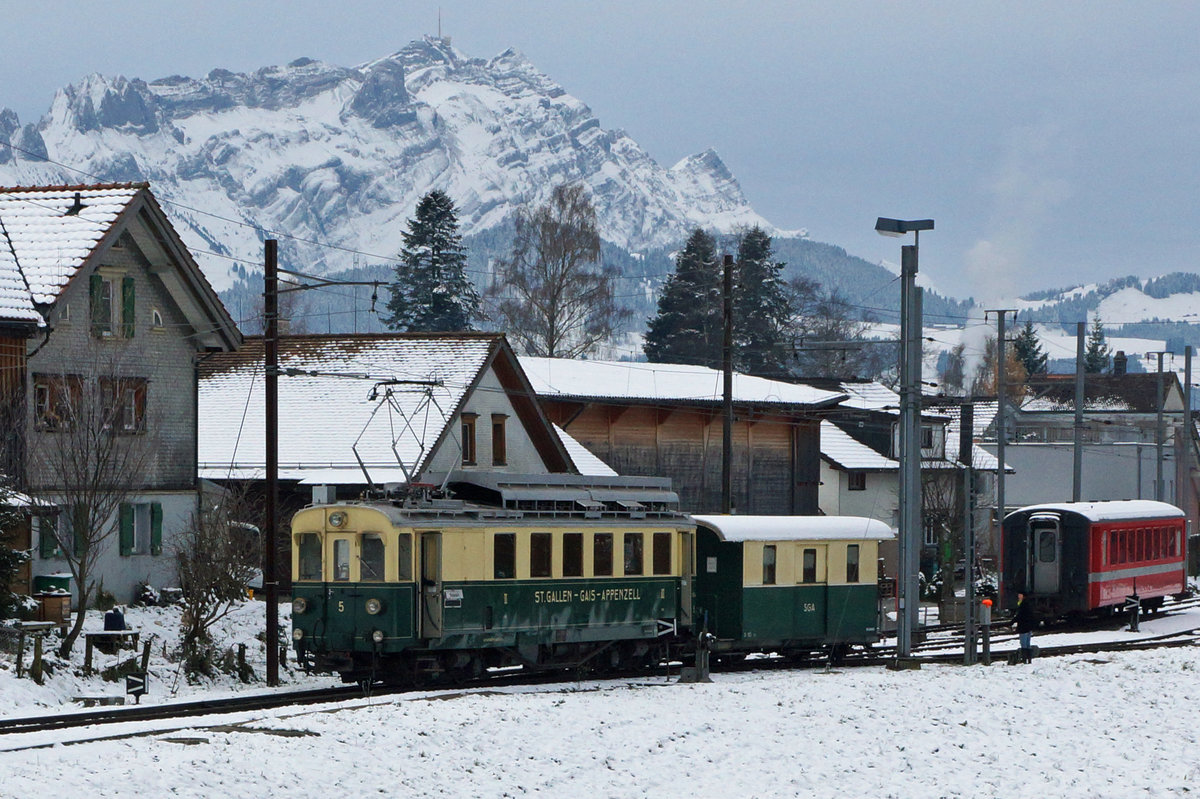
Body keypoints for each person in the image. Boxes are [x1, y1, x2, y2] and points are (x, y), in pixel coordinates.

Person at [1012, 591, 1036, 664]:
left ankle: (1024, 659)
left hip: (1023, 626)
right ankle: (1029, 659)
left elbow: (1020, 615)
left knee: (1023, 643)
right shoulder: (1028, 603)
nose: (1018, 596)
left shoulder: (1023, 604)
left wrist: (1013, 621)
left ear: (1023, 596)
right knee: (1028, 643)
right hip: (1028, 626)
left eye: (1020, 595)